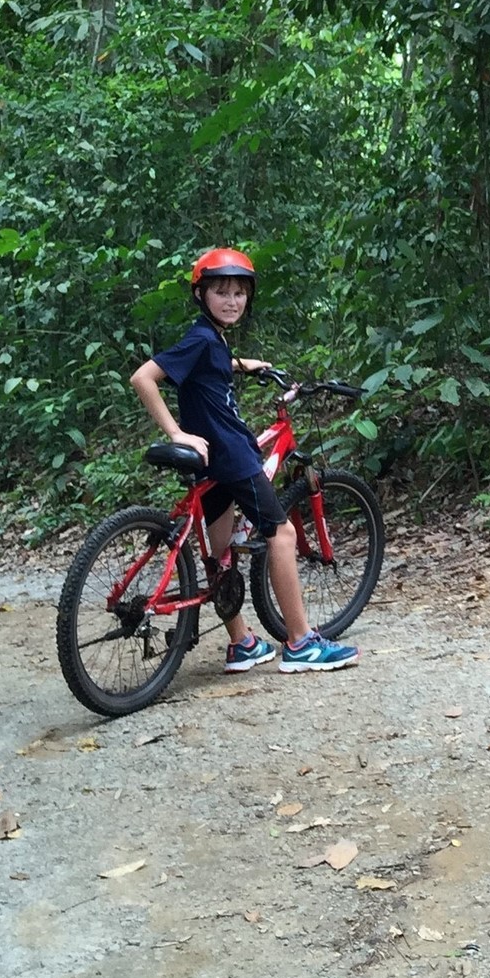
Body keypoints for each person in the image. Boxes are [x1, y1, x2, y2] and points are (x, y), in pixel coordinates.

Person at [127, 248, 356, 672]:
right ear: (200, 294)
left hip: (211, 459)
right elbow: (143, 377)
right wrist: (176, 432)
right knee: (282, 533)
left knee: (221, 554)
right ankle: (301, 643)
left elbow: (209, 366)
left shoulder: (210, 339)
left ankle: (242, 643)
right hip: (231, 454)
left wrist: (241, 365)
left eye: (239, 293)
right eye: (221, 292)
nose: (231, 301)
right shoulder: (201, 339)